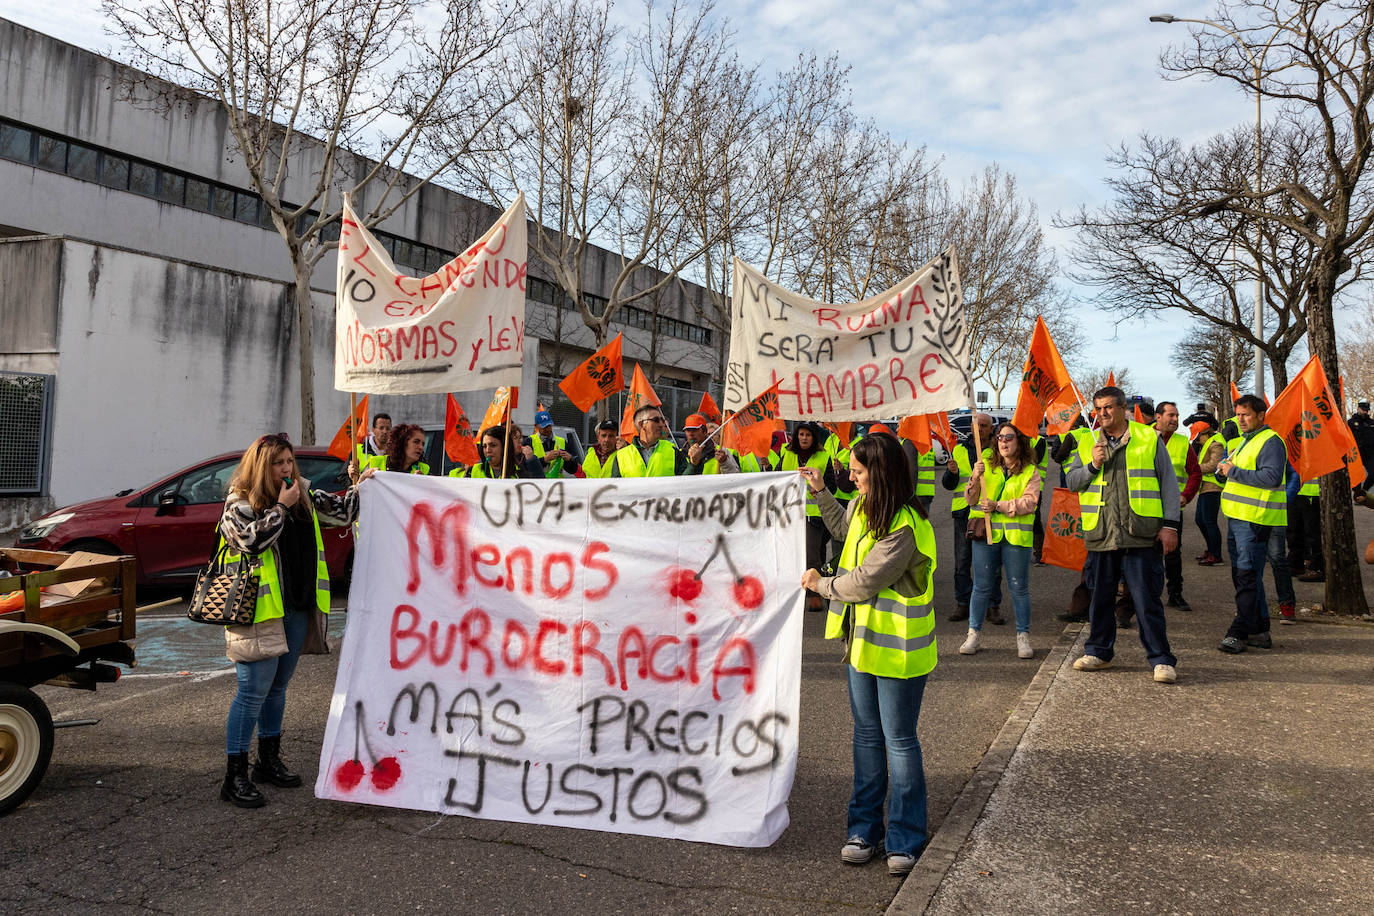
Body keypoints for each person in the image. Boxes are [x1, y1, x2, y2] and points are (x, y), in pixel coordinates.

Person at [797, 433, 937, 877]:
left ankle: (905, 836)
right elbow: (844, 529)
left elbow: (862, 581)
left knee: (898, 741)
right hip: (861, 647)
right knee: (866, 737)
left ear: (879, 473)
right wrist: (820, 491)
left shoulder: (905, 526)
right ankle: (863, 830)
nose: (851, 478)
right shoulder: (865, 507)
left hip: (898, 653)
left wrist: (820, 583)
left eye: (857, 472)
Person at [218, 433, 372, 807]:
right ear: (260, 467)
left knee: (277, 688)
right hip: (257, 612)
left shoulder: (301, 492)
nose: (286, 469)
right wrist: (282, 508)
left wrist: (362, 486)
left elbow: (344, 511)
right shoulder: (239, 502)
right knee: (252, 690)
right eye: (277, 463)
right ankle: (233, 774)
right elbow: (252, 541)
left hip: (297, 608)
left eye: (289, 462)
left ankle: (267, 761)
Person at [1066, 386, 1180, 684]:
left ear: (1122, 409)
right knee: (1100, 598)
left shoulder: (1147, 438)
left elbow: (1168, 484)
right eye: (1098, 409)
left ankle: (1161, 659)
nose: (1102, 414)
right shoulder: (1085, 441)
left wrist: (1170, 525)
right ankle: (1099, 652)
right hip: (1102, 533)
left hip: (1140, 532)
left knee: (1146, 600)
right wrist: (1093, 464)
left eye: (1108, 408)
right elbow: (1073, 482)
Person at [959, 423, 1040, 659]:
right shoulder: (986, 467)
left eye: (1009, 437)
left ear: (1019, 441)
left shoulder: (1030, 471)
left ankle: (1022, 637)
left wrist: (999, 507)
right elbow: (970, 500)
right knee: (981, 586)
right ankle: (973, 634)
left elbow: (1029, 503)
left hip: (1016, 538)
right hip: (986, 535)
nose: (1004, 442)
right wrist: (975, 476)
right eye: (1000, 437)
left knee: (1019, 588)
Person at [1217, 395, 1289, 652]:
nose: (1241, 419)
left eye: (1246, 414)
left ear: (1261, 415)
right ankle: (1259, 631)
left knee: (1247, 576)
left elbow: (1270, 477)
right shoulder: (1244, 442)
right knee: (1246, 577)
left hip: (1256, 519)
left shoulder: (1270, 441)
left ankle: (1239, 631)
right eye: (1238, 415)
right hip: (1239, 517)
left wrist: (1232, 471)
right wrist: (1224, 470)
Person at [941, 414, 1004, 624]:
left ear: (991, 428)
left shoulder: (997, 450)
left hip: (989, 513)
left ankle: (993, 606)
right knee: (962, 562)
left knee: (991, 563)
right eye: (977, 426)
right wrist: (951, 473)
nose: (980, 429)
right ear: (971, 427)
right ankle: (962, 604)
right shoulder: (959, 450)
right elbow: (949, 484)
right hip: (962, 514)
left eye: (984, 426)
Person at [781, 422, 838, 611]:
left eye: (808, 435)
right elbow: (776, 478)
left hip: (813, 516)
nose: (804, 438)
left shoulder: (823, 456)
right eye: (801, 434)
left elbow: (832, 485)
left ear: (814, 438)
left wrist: (819, 488)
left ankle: (815, 596)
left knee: (811, 555)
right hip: (790, 516)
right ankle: (795, 591)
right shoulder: (788, 454)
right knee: (789, 554)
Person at [1154, 401, 1202, 610]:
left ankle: (1175, 594)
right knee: (1144, 555)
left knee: (1172, 553)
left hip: (1173, 510)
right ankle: (1144, 596)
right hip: (1144, 509)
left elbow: (1195, 473)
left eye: (1176, 416)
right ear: (1158, 417)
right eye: (1170, 415)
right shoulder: (1142, 437)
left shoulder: (1183, 443)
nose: (1175, 420)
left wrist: (1186, 495)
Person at [611, 405, 688, 477]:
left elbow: (687, 482)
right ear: (641, 424)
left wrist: (694, 464)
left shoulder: (673, 451)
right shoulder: (621, 456)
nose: (661, 424)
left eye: (662, 420)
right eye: (656, 420)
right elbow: (616, 488)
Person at [1194, 418, 1229, 566]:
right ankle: (1211, 550)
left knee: (1208, 521)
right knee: (1200, 520)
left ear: (1205, 434)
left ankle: (1215, 554)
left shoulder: (1216, 444)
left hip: (1213, 487)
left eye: (1198, 438)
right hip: (1206, 487)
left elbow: (1214, 465)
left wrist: (1193, 468)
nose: (1197, 441)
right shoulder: (1210, 444)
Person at [464, 425, 546, 479]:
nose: (487, 450)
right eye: (484, 446)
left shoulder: (519, 474)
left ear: (505, 446)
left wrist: (532, 461)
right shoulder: (472, 471)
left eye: (493, 445)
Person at [1287, 465, 1324, 582]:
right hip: (1296, 491)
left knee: (1313, 533)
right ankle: (1296, 564)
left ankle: (1317, 568)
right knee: (1294, 530)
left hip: (1312, 492)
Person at [530, 409, 580, 478]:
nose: (548, 429)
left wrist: (570, 459)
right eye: (544, 426)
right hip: (538, 486)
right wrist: (544, 460)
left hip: (557, 486)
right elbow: (526, 468)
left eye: (549, 426)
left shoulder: (561, 442)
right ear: (536, 426)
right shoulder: (529, 441)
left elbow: (573, 470)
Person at [347, 411, 391, 478]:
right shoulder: (358, 450)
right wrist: (351, 477)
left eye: (388, 428)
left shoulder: (395, 452)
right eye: (381, 428)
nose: (385, 431)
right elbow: (343, 477)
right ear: (373, 429)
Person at [1349, 401, 1374, 487]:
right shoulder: (1351, 423)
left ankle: (1364, 491)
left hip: (1369, 454)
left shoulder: (1371, 423)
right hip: (1356, 454)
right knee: (1356, 478)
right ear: (1358, 409)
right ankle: (1358, 494)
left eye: (1367, 410)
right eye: (1363, 410)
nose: (1365, 412)